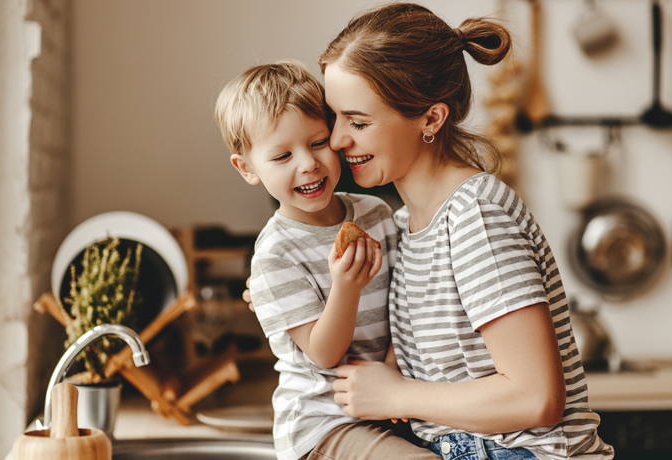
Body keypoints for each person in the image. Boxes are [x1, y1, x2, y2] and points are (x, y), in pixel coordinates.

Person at [314, 3, 614, 459]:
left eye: (358, 122)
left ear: (431, 119)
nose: (337, 140)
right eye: (335, 117)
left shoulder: (475, 216)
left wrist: (396, 395)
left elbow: (536, 398)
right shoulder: (404, 226)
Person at [214, 60, 440, 460]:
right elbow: (323, 355)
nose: (307, 163)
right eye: (282, 156)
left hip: (389, 407)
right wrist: (347, 288)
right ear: (247, 167)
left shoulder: (375, 214)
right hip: (323, 425)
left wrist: (392, 375)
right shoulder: (275, 254)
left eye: (318, 142)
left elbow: (404, 304)